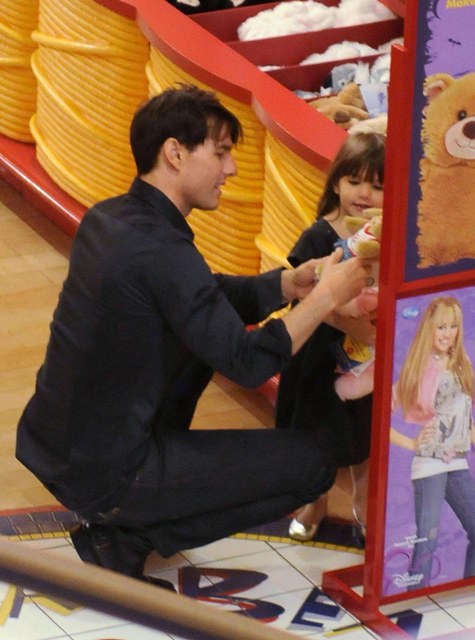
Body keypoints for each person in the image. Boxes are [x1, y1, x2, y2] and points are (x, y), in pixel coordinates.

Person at [16, 84, 369, 583]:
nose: (232, 169)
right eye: (221, 152)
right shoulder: (164, 252)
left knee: (200, 337)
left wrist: (288, 283)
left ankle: (126, 518)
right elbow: (248, 362)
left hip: (53, 444)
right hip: (112, 471)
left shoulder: (109, 219)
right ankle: (127, 536)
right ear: (175, 153)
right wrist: (325, 297)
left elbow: (204, 295)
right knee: (313, 465)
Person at [275, 132, 385, 543]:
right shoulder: (318, 237)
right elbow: (305, 297)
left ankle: (364, 501)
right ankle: (315, 501)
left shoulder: (388, 239)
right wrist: (350, 323)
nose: (364, 194)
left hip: (368, 363)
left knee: (367, 434)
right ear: (336, 182)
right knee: (315, 436)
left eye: (378, 186)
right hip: (318, 361)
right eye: (355, 182)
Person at [391, 296, 475, 589]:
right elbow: (380, 413)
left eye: (453, 326)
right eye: (441, 327)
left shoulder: (462, 365)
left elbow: (465, 420)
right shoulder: (420, 367)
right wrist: (411, 443)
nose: (447, 333)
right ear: (429, 328)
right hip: (429, 464)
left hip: (457, 461)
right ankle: (413, 596)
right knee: (427, 539)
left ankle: (468, 589)